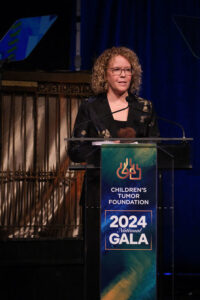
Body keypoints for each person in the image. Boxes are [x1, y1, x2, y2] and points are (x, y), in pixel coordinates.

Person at [68, 46, 159, 300]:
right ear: (104, 74)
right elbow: (76, 149)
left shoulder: (144, 108)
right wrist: (110, 154)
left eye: (128, 70)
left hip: (137, 199)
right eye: (116, 70)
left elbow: (157, 150)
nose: (123, 75)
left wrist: (135, 151)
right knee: (100, 262)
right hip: (100, 197)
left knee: (133, 265)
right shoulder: (91, 108)